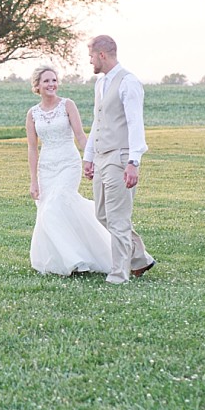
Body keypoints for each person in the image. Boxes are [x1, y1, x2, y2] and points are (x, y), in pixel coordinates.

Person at [82, 35, 155, 284]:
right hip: (101, 158)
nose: (89, 60)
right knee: (102, 214)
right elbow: (97, 121)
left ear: (102, 55)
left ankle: (119, 274)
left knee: (118, 218)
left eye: (91, 55)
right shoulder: (100, 84)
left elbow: (136, 124)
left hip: (120, 157)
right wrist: (88, 157)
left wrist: (134, 162)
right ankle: (140, 259)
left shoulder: (129, 82)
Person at [26, 65, 112, 276]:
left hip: (68, 163)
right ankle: (65, 259)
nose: (51, 84)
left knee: (54, 206)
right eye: (46, 81)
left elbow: (81, 136)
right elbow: (32, 148)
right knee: (54, 210)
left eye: (54, 80)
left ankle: (76, 259)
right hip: (47, 168)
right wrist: (33, 181)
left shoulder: (67, 105)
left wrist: (90, 158)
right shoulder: (33, 113)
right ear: (37, 85)